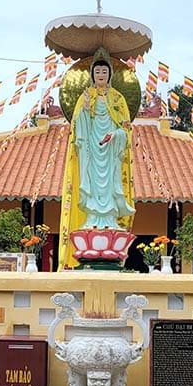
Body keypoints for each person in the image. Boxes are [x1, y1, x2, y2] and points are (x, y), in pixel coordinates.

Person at [58, 54, 136, 269]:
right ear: (92, 75)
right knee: (91, 181)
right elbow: (77, 128)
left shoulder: (118, 99)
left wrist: (116, 135)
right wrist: (83, 110)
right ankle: (93, 217)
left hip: (111, 150)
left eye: (104, 72)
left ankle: (109, 220)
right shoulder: (86, 96)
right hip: (91, 149)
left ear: (110, 75)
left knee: (110, 183)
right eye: (97, 72)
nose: (101, 75)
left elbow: (126, 129)